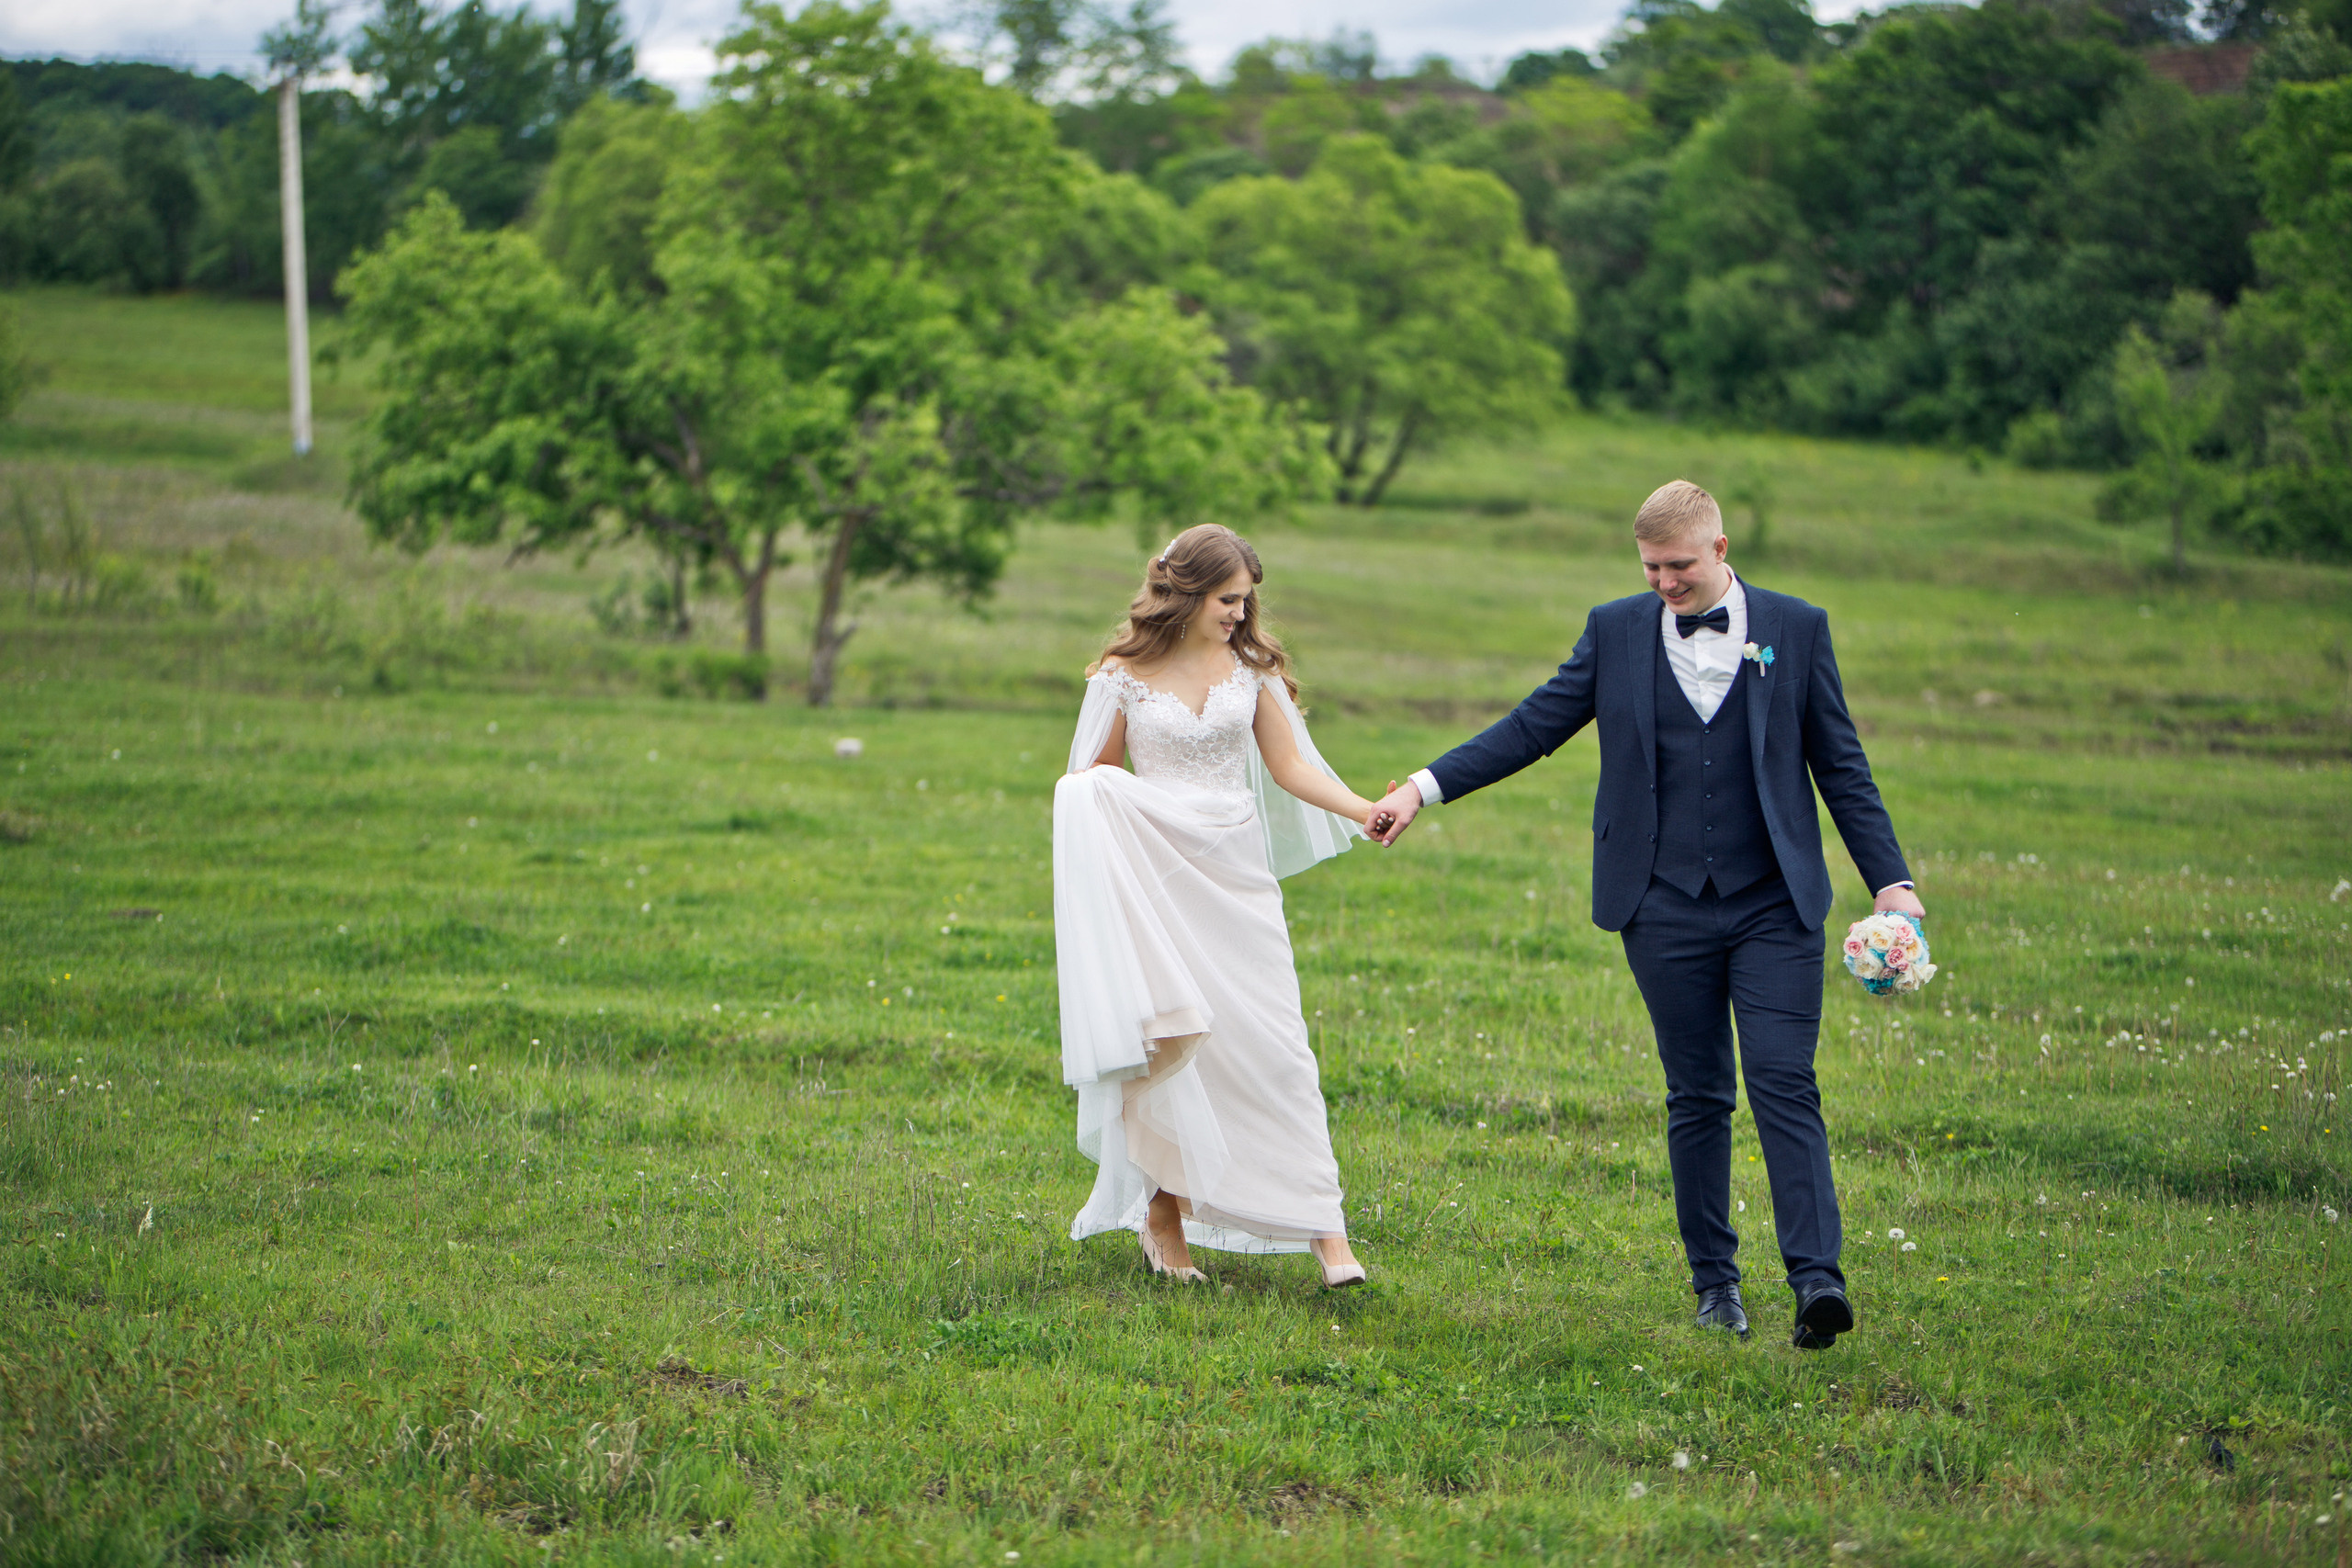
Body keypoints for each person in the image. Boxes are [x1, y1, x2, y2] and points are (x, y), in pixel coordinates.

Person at [1364, 481, 1924, 1348]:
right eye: (1653, 568)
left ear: (1722, 550)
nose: (1666, 583)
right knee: (1697, 1093)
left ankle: (1817, 1282)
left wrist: (1892, 881)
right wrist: (1421, 788)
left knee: (1784, 1082)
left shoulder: (1798, 628)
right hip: (1660, 904)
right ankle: (1717, 1287)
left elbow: (1840, 765)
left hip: (1775, 901)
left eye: (1681, 566)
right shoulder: (1616, 630)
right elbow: (1532, 727)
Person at [1054, 524, 1387, 1289]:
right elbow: (1094, 786)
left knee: (1277, 1046)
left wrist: (1363, 807)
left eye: (1245, 600)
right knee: (1178, 1046)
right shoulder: (1121, 674)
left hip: (1237, 876)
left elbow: (1291, 765)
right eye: (1227, 599)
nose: (1240, 613)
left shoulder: (1251, 669)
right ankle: (1163, 1217)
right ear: (1185, 593)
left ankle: (1325, 1229)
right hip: (1160, 880)